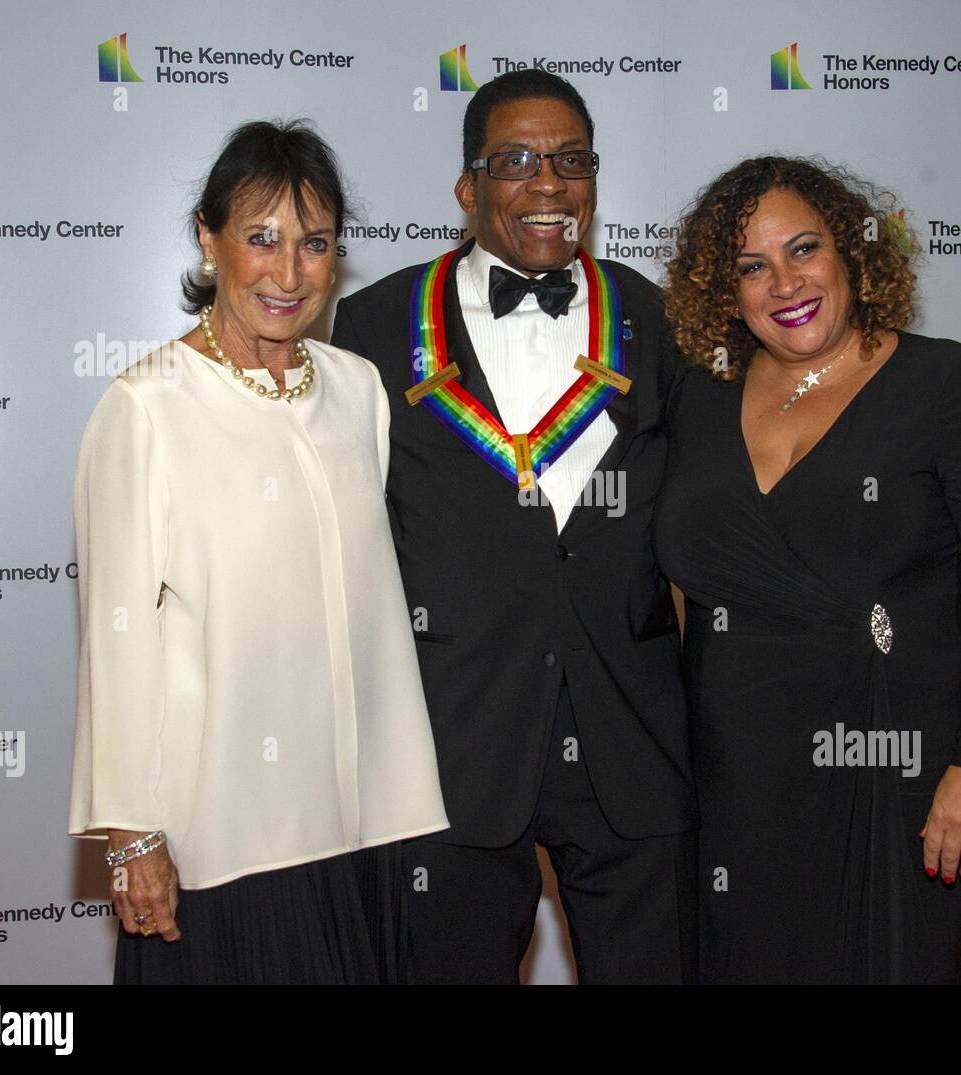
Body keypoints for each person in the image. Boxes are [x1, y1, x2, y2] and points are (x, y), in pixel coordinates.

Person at [331, 69, 697, 984]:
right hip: (449, 747)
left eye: (571, 160)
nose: (548, 182)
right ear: (469, 188)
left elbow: (730, 506)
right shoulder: (374, 325)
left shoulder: (657, 321)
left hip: (631, 742)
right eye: (518, 160)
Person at [656, 156, 961, 983]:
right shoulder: (697, 399)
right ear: (724, 289)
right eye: (751, 266)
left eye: (804, 250)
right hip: (735, 788)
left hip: (902, 775)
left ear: (853, 254)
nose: (784, 283)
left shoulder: (947, 385)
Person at [68, 120, 448, 985]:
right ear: (209, 240)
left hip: (365, 819)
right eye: (261, 239)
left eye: (314, 244)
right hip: (226, 835)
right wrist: (133, 834)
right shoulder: (146, 407)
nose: (289, 273)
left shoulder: (357, 389)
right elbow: (119, 638)